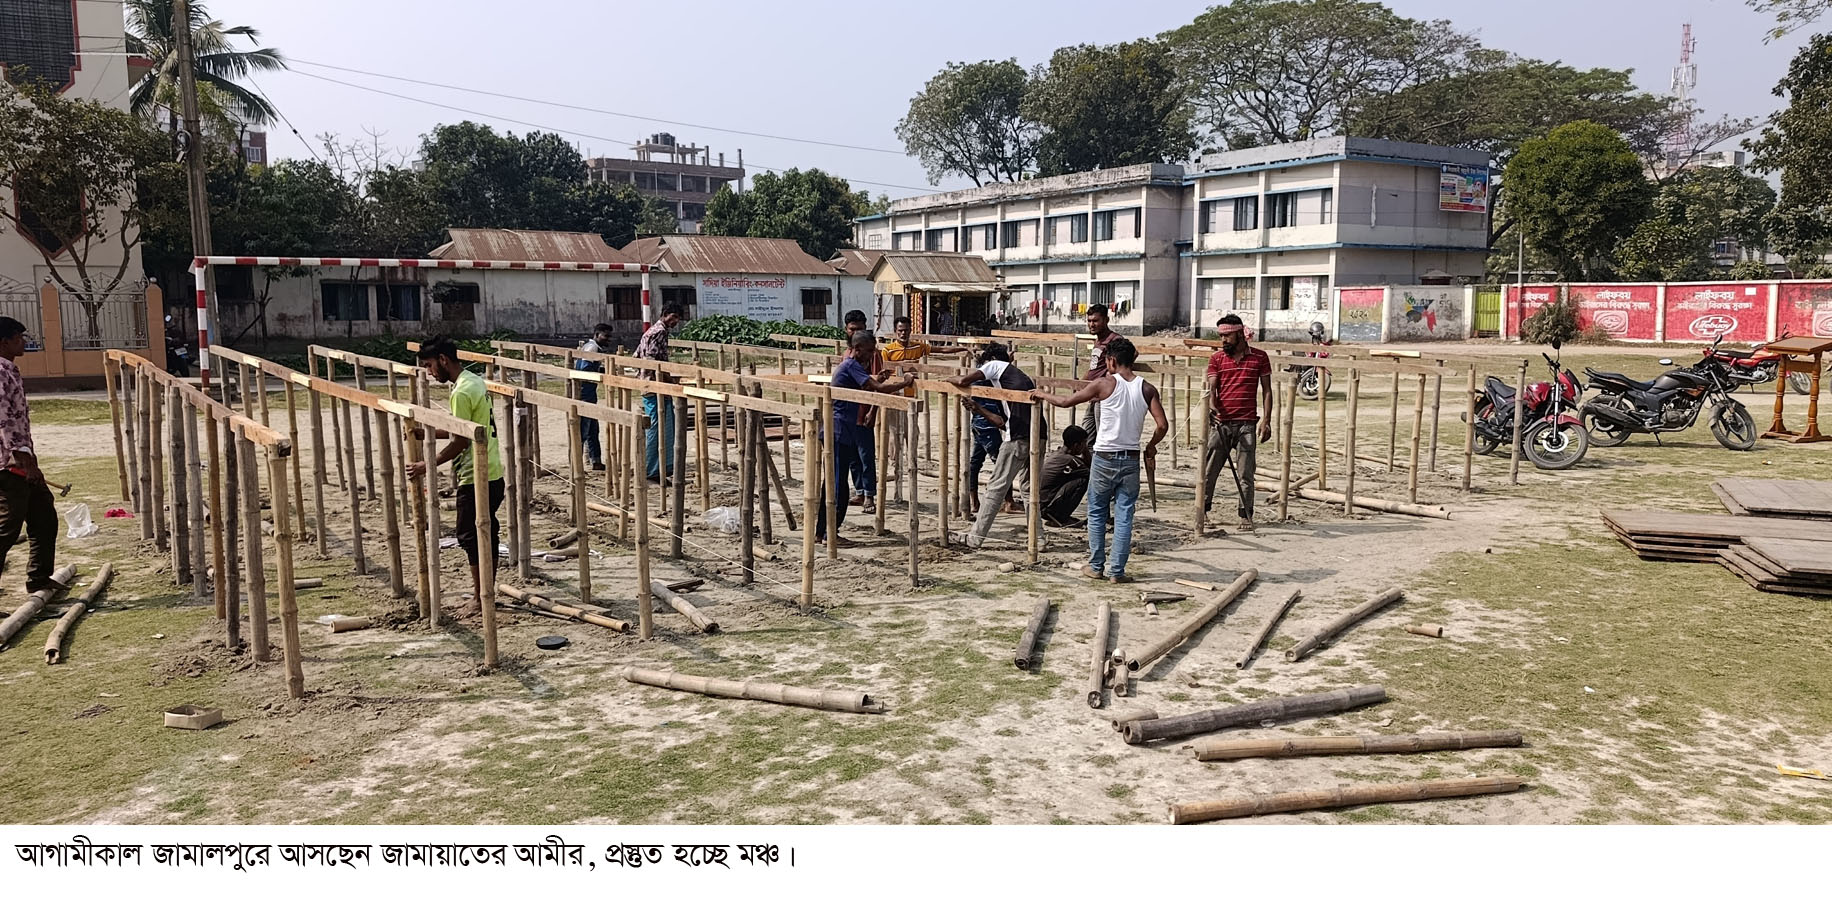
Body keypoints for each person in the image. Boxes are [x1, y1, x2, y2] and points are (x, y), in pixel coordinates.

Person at [1034, 337, 1166, 584]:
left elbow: (1065, 402)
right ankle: (1117, 571)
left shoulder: (1104, 384)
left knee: (1096, 512)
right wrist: (1151, 446)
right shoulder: (1147, 388)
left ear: (1112, 361)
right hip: (1130, 459)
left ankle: (1096, 566)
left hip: (1104, 457)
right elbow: (1162, 425)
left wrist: (1041, 393)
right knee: (1124, 515)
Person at [406, 336, 504, 617]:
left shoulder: (461, 392)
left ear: (443, 360)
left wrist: (426, 465)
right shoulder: (474, 381)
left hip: (476, 475)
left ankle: (480, 596)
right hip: (492, 471)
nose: (429, 372)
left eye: (429, 366)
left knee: (469, 535)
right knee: (485, 532)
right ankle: (485, 592)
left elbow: (460, 441)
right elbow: (462, 427)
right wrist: (427, 433)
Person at [815, 330, 912, 546]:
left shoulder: (852, 366)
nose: (871, 356)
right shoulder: (851, 365)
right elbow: (879, 389)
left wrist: (878, 379)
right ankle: (830, 534)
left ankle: (821, 532)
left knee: (832, 482)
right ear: (857, 349)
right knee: (837, 486)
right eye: (868, 351)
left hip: (842, 430)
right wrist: (905, 382)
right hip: (839, 431)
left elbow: (868, 383)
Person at [881, 315, 968, 505]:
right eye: (900, 330)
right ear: (895, 332)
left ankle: (910, 468)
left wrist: (961, 348)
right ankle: (895, 476)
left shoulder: (918, 347)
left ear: (910, 331)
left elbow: (941, 349)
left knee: (912, 435)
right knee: (895, 438)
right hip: (895, 399)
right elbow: (884, 374)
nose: (903, 333)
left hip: (911, 398)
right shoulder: (888, 350)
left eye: (906, 330)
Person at [955, 343, 1035, 550]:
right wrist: (978, 408)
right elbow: (1001, 422)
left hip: (1018, 437)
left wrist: (947, 381)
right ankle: (1038, 538)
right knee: (1028, 490)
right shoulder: (1018, 377)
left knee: (995, 487)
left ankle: (975, 538)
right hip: (1037, 435)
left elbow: (963, 381)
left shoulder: (995, 366)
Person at [0, 317, 57, 596]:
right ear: (4, 342)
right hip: (9, 463)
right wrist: (21, 460)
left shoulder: (10, 370)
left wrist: (30, 459)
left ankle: (39, 578)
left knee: (44, 515)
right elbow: (4, 420)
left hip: (23, 459)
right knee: (7, 529)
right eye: (19, 338)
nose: (23, 342)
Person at [1203, 313, 1274, 532]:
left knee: (1246, 474)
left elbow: (1267, 390)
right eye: (1221, 336)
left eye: (1227, 335)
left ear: (1240, 334)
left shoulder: (1260, 357)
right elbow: (1212, 387)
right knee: (1209, 471)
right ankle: (1202, 510)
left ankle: (1245, 515)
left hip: (1247, 424)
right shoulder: (1217, 359)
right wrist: (1212, 406)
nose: (1223, 340)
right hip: (1221, 423)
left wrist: (1267, 420)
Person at [634, 304, 685, 482]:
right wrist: (668, 379)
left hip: (652, 384)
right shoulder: (659, 332)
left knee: (665, 425)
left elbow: (637, 355)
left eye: (678, 318)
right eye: (673, 317)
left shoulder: (652, 331)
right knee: (658, 428)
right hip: (654, 385)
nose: (675, 321)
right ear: (665, 314)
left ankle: (662, 468)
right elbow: (652, 361)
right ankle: (652, 470)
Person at [842, 310, 884, 513]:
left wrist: (873, 410)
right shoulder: (847, 355)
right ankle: (859, 491)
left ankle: (869, 495)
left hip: (864, 411)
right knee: (852, 456)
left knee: (866, 455)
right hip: (849, 412)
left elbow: (878, 384)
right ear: (846, 330)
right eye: (852, 329)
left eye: (859, 329)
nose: (855, 332)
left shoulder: (872, 354)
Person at [1039, 425, 1092, 528]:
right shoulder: (1070, 460)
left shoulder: (1059, 454)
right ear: (1076, 445)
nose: (1085, 446)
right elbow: (1092, 472)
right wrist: (1085, 451)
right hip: (1047, 509)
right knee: (1083, 480)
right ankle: (1061, 518)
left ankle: (1058, 516)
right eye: (1084, 443)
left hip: (1042, 505)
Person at [1078, 304, 1119, 437]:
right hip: (1093, 394)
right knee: (1087, 434)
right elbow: (1094, 367)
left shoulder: (1114, 339)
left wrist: (1111, 374)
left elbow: (1132, 353)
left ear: (1106, 320)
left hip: (1103, 396)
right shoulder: (1099, 340)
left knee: (1103, 434)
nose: (1092, 324)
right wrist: (1080, 384)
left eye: (1095, 321)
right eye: (1089, 321)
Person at [576, 322, 612, 471]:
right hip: (585, 393)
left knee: (592, 429)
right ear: (597, 335)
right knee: (584, 430)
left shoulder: (590, 347)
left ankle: (595, 460)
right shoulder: (592, 348)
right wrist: (601, 374)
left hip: (589, 393)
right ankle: (576, 464)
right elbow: (585, 370)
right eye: (605, 336)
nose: (608, 339)